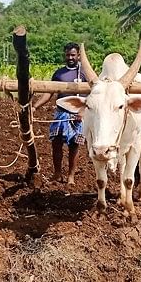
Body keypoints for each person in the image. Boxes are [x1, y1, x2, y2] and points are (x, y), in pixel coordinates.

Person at [32, 42, 87, 185]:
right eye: (68, 55)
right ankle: (57, 174)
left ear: (79, 56)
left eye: (73, 55)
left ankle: (71, 177)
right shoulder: (58, 74)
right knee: (56, 144)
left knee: (74, 146)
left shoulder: (84, 74)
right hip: (61, 113)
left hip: (77, 115)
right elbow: (49, 93)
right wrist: (34, 107)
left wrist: (82, 111)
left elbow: (90, 96)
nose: (70, 57)